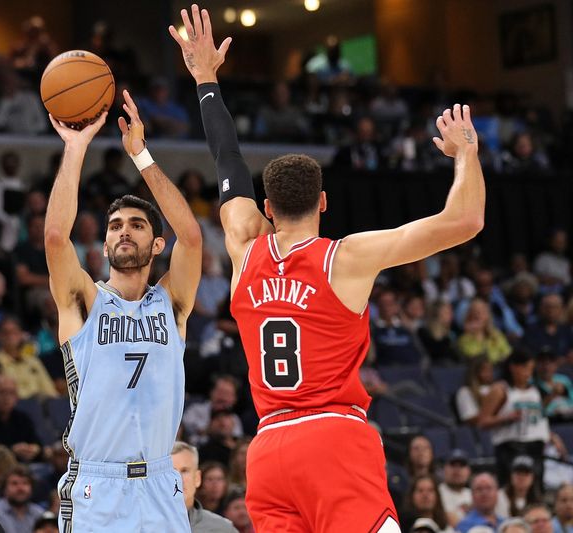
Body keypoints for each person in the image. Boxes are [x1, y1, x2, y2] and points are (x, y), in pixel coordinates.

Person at [170, 5, 485, 532]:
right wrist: (466, 153)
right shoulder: (346, 258)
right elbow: (466, 220)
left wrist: (206, 80)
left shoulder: (245, 247)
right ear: (322, 202)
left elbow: (227, 159)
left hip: (267, 449)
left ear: (265, 207)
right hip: (333, 439)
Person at [44, 87, 201, 532]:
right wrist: (76, 148)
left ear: (156, 244)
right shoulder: (84, 301)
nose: (123, 231)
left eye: (136, 225)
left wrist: (141, 155)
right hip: (98, 484)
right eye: (115, 226)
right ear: (106, 242)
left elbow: (191, 237)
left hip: (160, 481)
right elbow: (56, 238)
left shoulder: (171, 304)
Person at [478, 349, 549, 485]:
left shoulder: (535, 391)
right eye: (525, 368)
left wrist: (550, 436)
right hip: (510, 448)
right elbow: (482, 422)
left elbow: (538, 421)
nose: (528, 373)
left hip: (535, 447)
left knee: (535, 488)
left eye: (531, 369)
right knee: (510, 488)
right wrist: (506, 418)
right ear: (513, 367)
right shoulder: (500, 390)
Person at [171, 441, 238, 533]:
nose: (178, 479)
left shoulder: (222, 529)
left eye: (184, 471)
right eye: (171, 472)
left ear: (197, 478)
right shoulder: (145, 526)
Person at [0, 465, 46, 533]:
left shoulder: (39, 514)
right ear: (4, 488)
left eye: (25, 483)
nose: (20, 488)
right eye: (14, 483)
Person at [438, 449, 473, 527]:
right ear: (444, 469)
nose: (457, 470)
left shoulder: (474, 495)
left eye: (462, 465)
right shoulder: (436, 493)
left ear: (469, 471)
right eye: (453, 465)